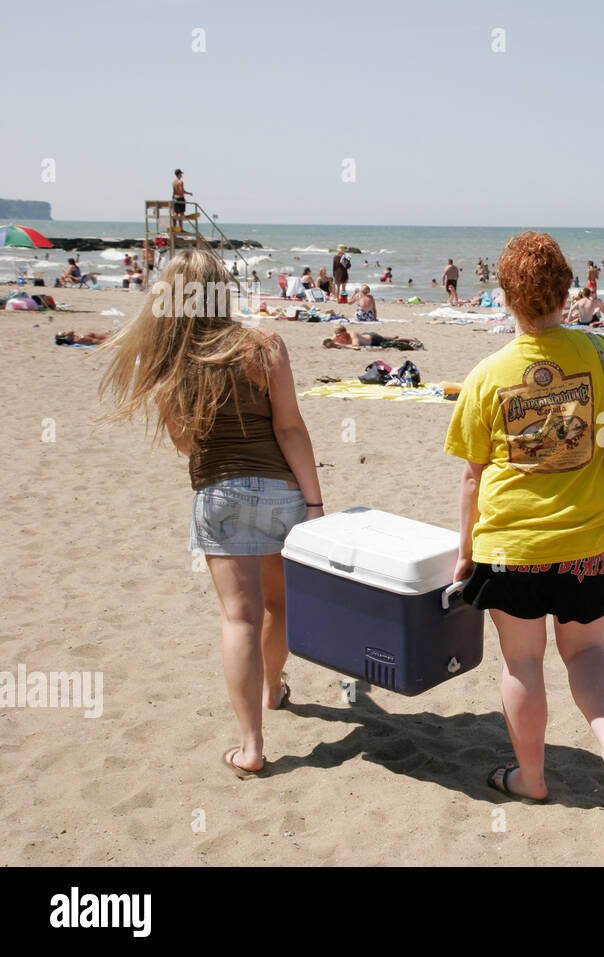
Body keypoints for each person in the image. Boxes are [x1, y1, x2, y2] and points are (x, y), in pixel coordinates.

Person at [443, 231, 604, 822]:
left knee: (523, 663)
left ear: (506, 294)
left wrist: (466, 555)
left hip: (512, 544)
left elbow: (471, 477)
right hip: (588, 537)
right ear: (568, 290)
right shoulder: (601, 356)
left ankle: (530, 778)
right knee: (587, 651)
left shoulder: (488, 375)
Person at [99, 247, 324, 777]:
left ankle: (251, 747)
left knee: (238, 618)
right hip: (280, 493)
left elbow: (185, 442)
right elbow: (289, 427)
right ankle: (274, 688)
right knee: (279, 606)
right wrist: (314, 502)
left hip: (220, 495)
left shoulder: (169, 362)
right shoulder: (263, 344)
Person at [323, 324, 422, 350]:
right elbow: (325, 343)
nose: (338, 336)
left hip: (373, 340)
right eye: (337, 335)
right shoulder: (337, 336)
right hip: (367, 335)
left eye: (339, 334)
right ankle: (392, 336)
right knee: (390, 338)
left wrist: (338, 346)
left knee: (393, 341)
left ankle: (412, 340)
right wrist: (333, 341)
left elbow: (356, 346)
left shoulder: (352, 334)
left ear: (344, 332)